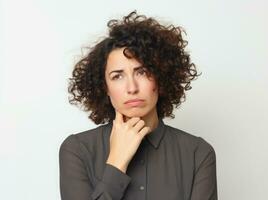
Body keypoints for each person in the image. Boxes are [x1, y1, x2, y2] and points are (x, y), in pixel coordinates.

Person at [59, 10, 217, 200]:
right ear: (105, 87)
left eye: (142, 72)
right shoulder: (78, 150)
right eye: (117, 76)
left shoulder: (197, 153)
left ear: (160, 77)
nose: (132, 88)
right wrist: (116, 163)